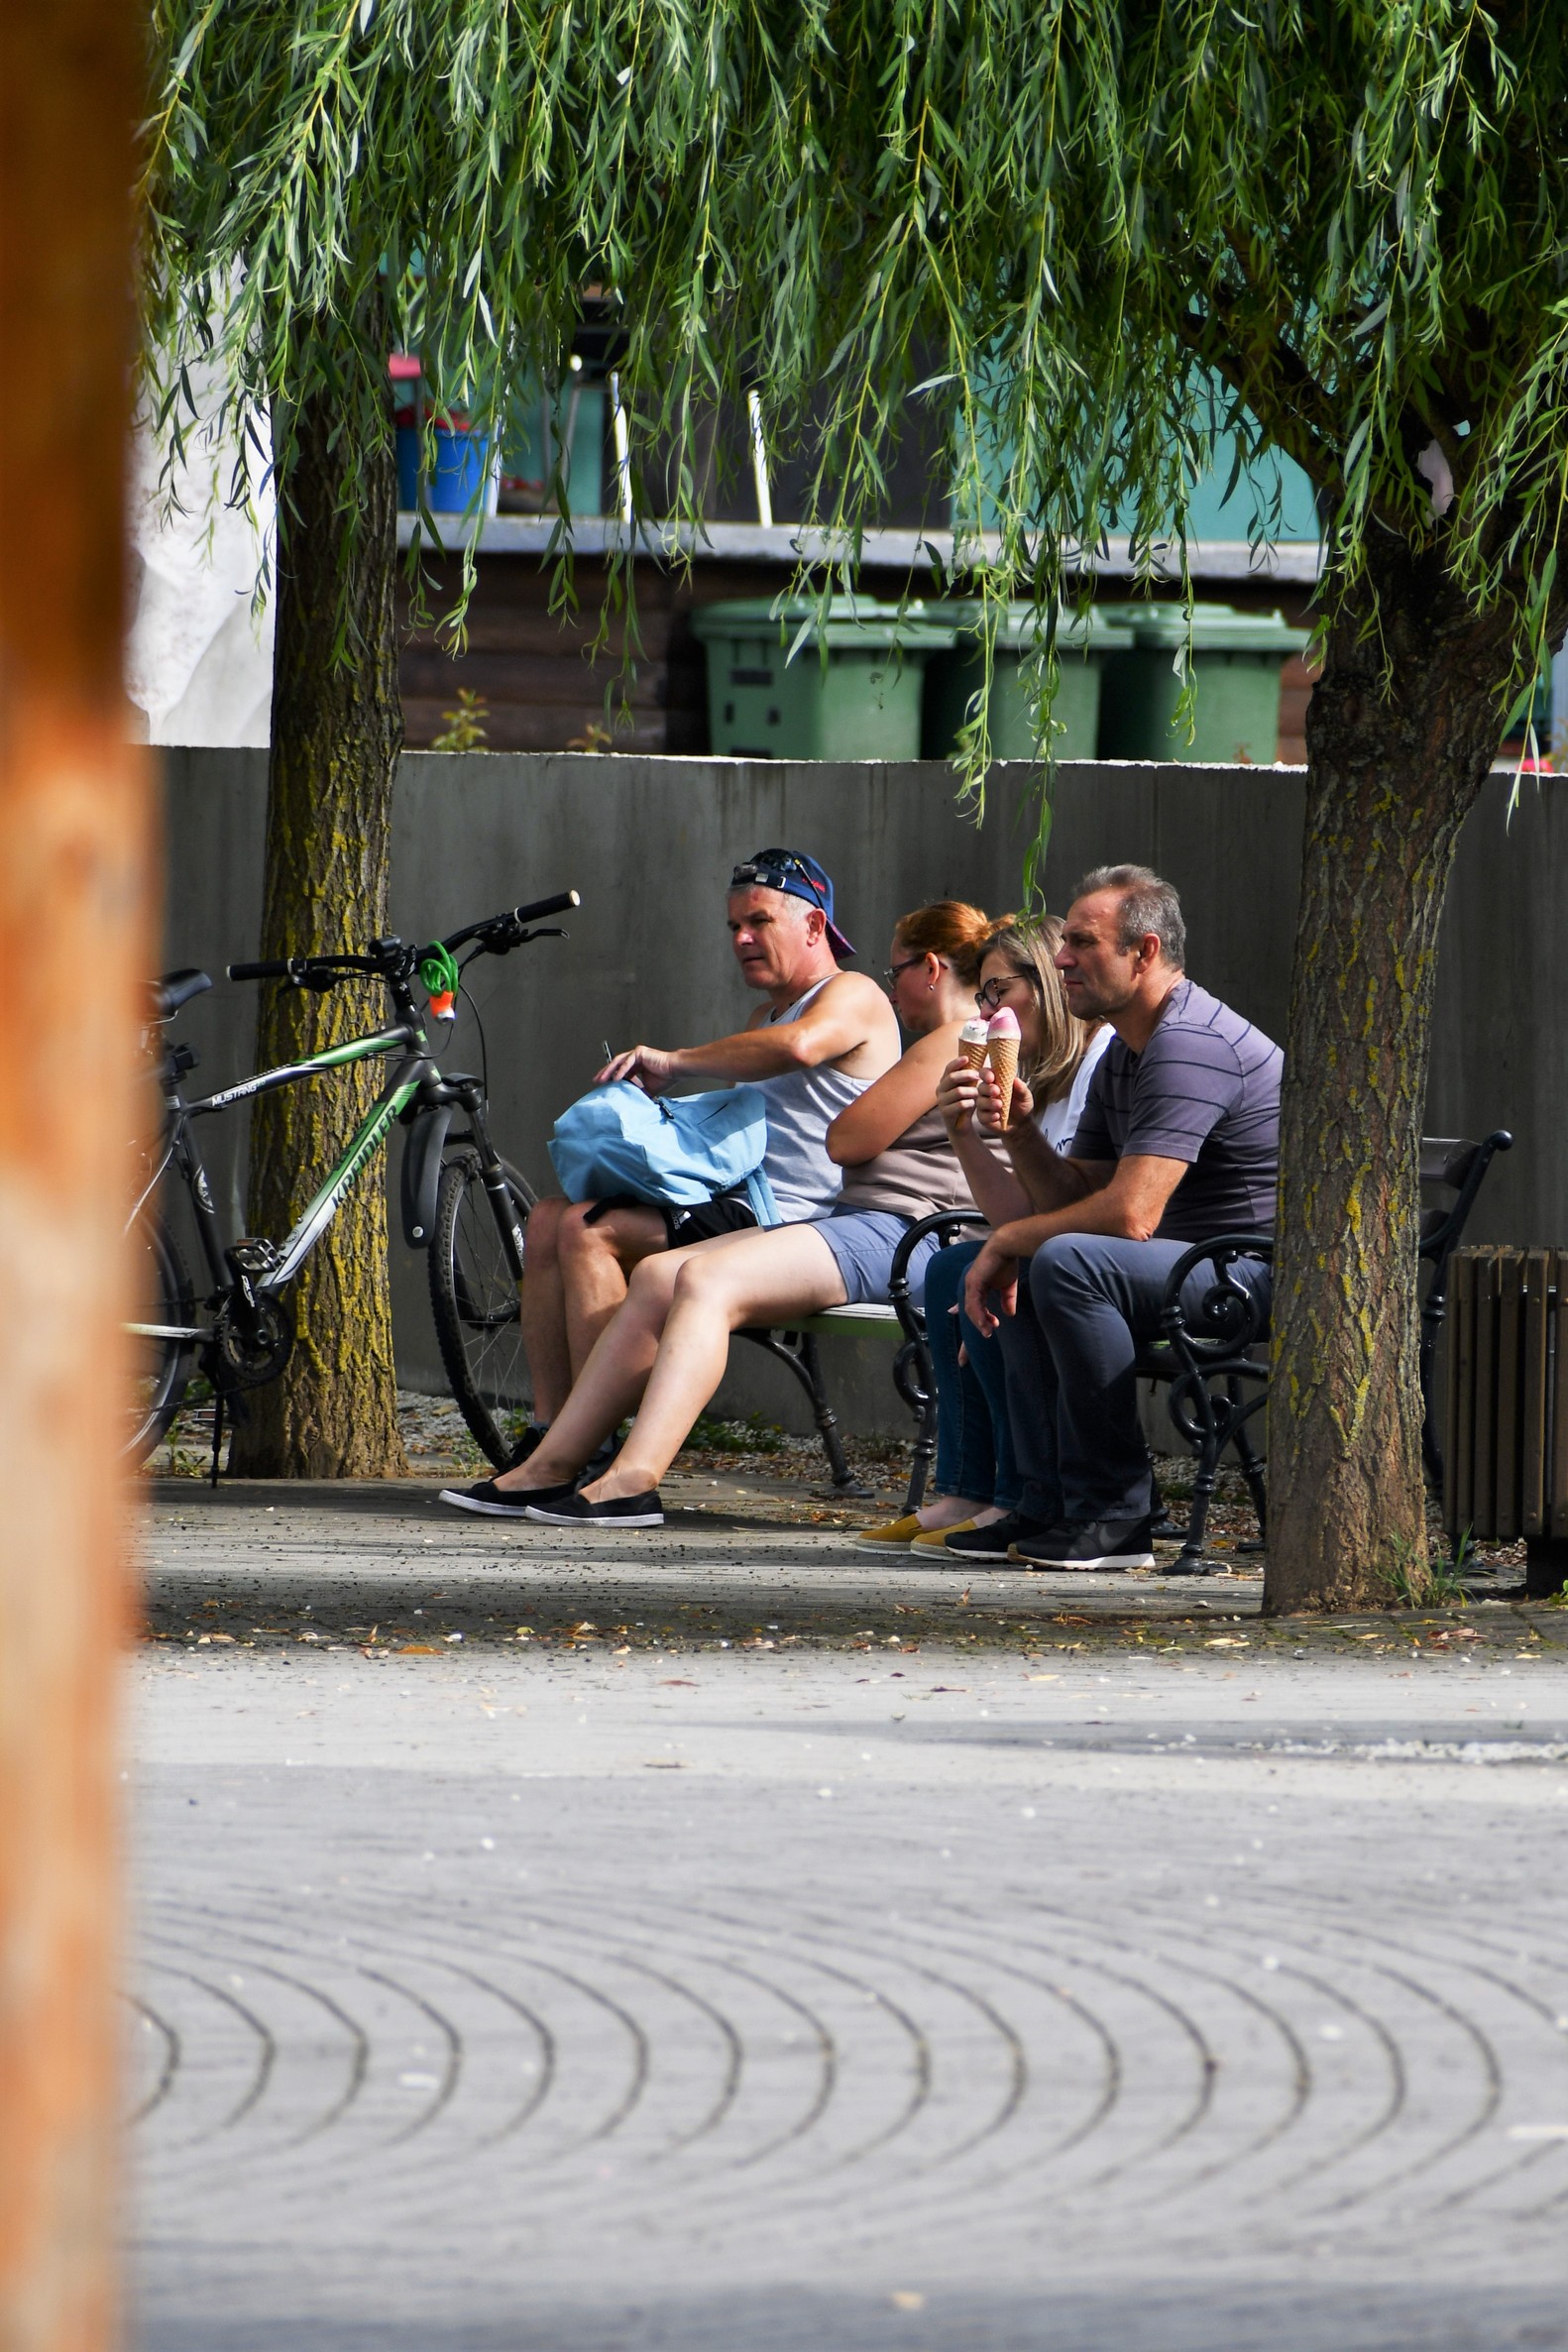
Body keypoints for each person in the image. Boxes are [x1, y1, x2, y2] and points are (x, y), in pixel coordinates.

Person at [440, 901, 995, 1522]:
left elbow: (846, 1141)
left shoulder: (954, 1039)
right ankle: (554, 1462)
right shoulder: (946, 1042)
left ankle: (631, 1478)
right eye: (733, 926)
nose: (893, 992)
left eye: (897, 974)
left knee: (698, 1276)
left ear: (930, 968)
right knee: (656, 1273)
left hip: (904, 1231)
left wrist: (684, 1067)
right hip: (862, 1223)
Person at [511, 848, 898, 1456]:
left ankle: (592, 1444)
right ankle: (548, 1429)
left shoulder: (853, 993)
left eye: (759, 922)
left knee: (591, 1233)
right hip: (737, 1200)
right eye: (733, 927)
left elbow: (799, 1048)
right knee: (546, 1219)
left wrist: (673, 1062)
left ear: (814, 925)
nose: (741, 938)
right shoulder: (762, 1014)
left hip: (797, 1223)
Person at [958, 864, 1282, 1572]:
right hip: (1190, 1258)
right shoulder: (1126, 1051)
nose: (1063, 958)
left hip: (1249, 1272)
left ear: (1146, 952)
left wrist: (1008, 1240)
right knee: (1045, 1252)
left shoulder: (1188, 1042)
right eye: (1065, 941)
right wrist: (1017, 1129)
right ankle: (1045, 1500)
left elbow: (1131, 1214)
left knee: (1063, 1260)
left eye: (1083, 942)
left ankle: (1116, 1512)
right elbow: (1075, 1195)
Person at [852, 915, 1110, 1556]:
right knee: (951, 1267)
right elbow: (1014, 1213)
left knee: (984, 1267)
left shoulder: (1098, 1061)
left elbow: (1074, 1206)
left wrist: (1009, 1246)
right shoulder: (1044, 1078)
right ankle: (970, 1488)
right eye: (983, 996)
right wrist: (963, 1130)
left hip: (1116, 1254)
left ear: (1048, 982)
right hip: (1069, 1246)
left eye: (997, 992)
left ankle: (1020, 1493)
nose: (987, 1010)